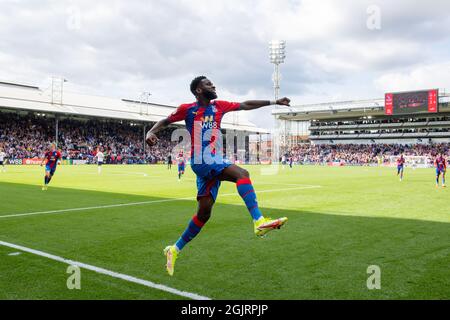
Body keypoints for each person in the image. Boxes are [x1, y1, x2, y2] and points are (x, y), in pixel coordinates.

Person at [146, 76, 289, 276]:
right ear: (198, 90)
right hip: (202, 160)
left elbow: (245, 104)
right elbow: (165, 120)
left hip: (211, 163)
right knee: (242, 174)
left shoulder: (219, 106)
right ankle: (258, 221)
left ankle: (174, 249)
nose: (213, 85)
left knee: (204, 214)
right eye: (208, 83)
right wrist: (150, 132)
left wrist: (274, 102)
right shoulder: (187, 109)